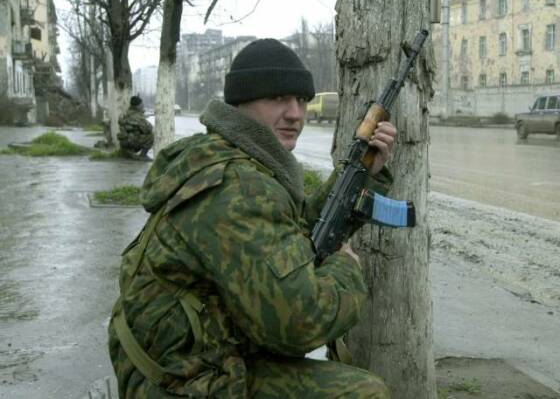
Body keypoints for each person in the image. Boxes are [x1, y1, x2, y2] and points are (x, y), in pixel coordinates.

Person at [108, 38, 397, 398]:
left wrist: (362, 174)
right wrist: (345, 268)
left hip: (176, 362)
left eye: (302, 100)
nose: (295, 113)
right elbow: (300, 324)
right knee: (364, 393)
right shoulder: (238, 186)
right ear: (241, 102)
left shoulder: (223, 156)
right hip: (179, 382)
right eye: (278, 98)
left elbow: (284, 237)